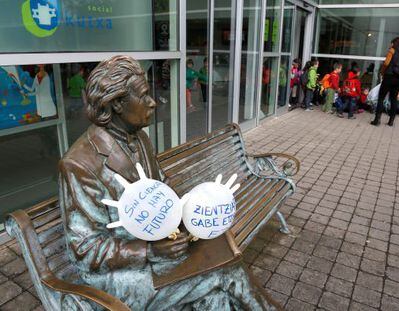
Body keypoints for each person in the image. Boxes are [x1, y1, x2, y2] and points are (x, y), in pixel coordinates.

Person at [58, 55, 273, 310]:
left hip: (159, 251)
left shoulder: (139, 138)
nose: (152, 103)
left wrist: (191, 210)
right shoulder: (80, 163)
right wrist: (148, 251)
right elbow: (84, 249)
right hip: (119, 276)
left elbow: (161, 189)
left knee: (216, 296)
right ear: (116, 104)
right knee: (225, 272)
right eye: (144, 96)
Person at [371, 37, 399, 126]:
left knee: (381, 98)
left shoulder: (392, 50)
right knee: (393, 99)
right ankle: (391, 121)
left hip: (389, 76)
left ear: (394, 43)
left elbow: (386, 63)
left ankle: (377, 120)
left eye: (391, 43)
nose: (390, 45)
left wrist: (382, 72)